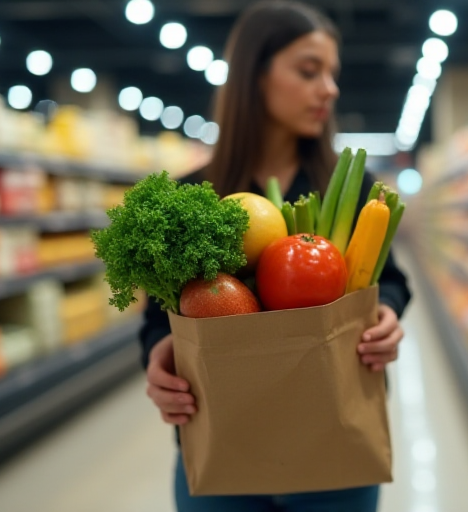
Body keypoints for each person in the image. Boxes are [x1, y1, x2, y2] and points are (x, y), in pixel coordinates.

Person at [137, 2, 412, 511]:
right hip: (224, 443)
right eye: (309, 71)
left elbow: (390, 279)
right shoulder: (191, 197)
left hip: (333, 445)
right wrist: (158, 354)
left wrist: (389, 313)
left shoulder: (352, 192)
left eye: (332, 74)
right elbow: (160, 314)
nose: (328, 88)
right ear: (254, 77)